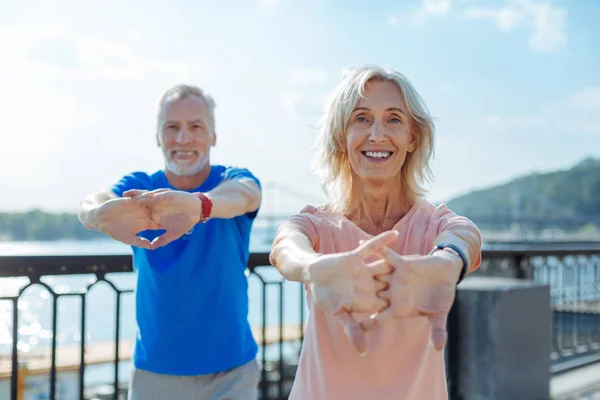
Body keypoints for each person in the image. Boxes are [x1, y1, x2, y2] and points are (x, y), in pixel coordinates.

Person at [269, 65, 482, 399]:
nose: (377, 134)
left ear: (413, 137)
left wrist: (447, 262)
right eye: (361, 118)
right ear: (342, 136)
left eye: (394, 119)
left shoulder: (434, 225)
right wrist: (312, 269)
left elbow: (464, 234)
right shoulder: (317, 225)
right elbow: (285, 245)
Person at [77, 84, 262, 400]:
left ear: (214, 136)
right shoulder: (141, 187)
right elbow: (93, 202)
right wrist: (98, 215)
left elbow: (247, 194)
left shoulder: (231, 179)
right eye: (172, 127)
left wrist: (199, 206)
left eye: (196, 127)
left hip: (232, 373)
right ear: (158, 137)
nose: (183, 138)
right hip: (156, 373)